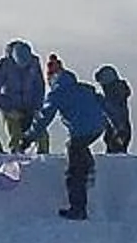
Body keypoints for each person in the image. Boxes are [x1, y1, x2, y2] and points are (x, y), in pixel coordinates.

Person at [37, 61, 113, 220]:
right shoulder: (84, 88)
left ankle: (77, 209)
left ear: (52, 79)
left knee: (74, 168)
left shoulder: (57, 93)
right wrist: (116, 125)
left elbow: (44, 117)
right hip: (98, 127)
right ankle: (89, 165)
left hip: (82, 131)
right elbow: (105, 104)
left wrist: (29, 137)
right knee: (77, 146)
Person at [0, 41, 46, 156]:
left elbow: (39, 86)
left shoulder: (34, 63)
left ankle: (44, 159)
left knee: (41, 133)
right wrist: (8, 109)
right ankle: (15, 157)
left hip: (30, 107)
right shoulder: (3, 65)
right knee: (15, 136)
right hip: (10, 108)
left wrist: (36, 107)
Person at [94, 65, 133, 153]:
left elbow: (113, 112)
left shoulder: (114, 95)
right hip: (119, 130)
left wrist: (100, 101)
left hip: (119, 130)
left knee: (116, 154)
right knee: (116, 152)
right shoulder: (117, 93)